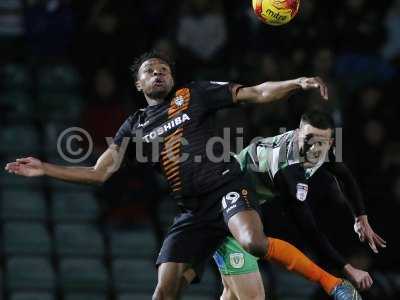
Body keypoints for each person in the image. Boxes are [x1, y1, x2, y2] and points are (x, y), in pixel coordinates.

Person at [6, 51, 351, 300]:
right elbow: (100, 173)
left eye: (163, 69)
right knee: (165, 290)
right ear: (139, 83)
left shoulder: (194, 95)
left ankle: (328, 282)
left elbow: (255, 93)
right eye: (150, 70)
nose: (158, 72)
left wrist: (296, 82)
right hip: (191, 211)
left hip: (227, 187)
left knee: (252, 243)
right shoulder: (135, 126)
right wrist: (46, 168)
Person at [212, 110, 386, 299]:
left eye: (320, 143)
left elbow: (344, 177)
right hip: (226, 201)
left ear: (331, 143)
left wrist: (360, 217)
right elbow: (307, 227)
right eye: (308, 140)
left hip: (243, 203)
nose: (313, 149)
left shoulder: (326, 150)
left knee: (232, 295)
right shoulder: (288, 169)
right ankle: (330, 283)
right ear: (297, 134)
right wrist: (346, 267)